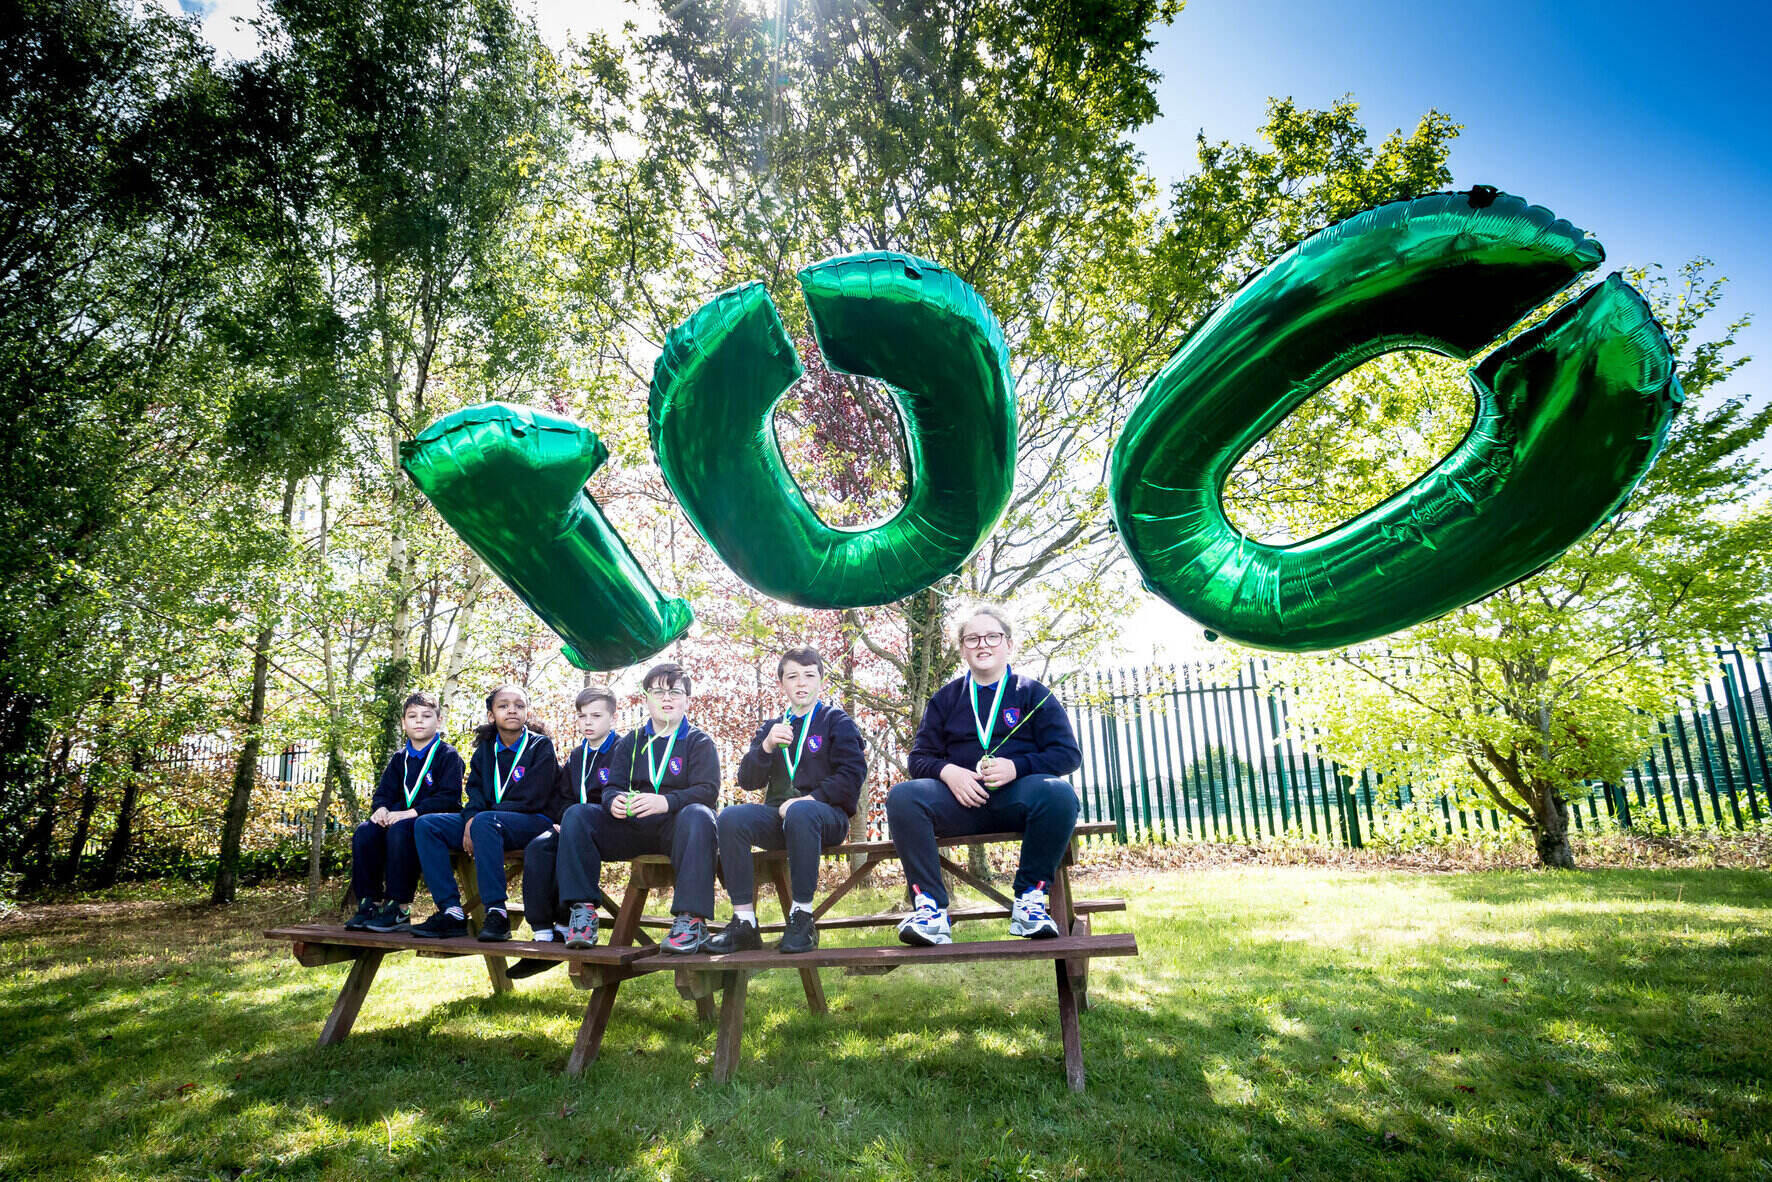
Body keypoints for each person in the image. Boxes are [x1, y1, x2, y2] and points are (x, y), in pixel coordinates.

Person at [886, 606, 1081, 945]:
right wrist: (949, 773)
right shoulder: (945, 699)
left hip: (1017, 801)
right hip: (960, 803)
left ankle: (1030, 902)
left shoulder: (1034, 694)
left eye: (992, 636)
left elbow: (1067, 754)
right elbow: (919, 759)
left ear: (1009, 644)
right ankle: (931, 910)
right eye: (973, 638)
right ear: (962, 648)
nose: (983, 645)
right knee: (903, 797)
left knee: (1060, 794)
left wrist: (1017, 767)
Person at [706, 646, 866, 954]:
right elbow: (747, 780)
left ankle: (802, 916)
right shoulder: (773, 726)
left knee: (802, 813)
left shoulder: (836, 721)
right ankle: (744, 923)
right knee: (730, 818)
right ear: (782, 683)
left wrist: (810, 799)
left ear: (821, 680)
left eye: (809, 675)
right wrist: (765, 747)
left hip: (826, 818)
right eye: (792, 676)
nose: (801, 682)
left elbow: (852, 777)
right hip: (777, 820)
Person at [555, 661, 720, 954]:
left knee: (699, 814)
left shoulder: (698, 741)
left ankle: (690, 919)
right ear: (646, 698)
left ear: (687, 700)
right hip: (631, 828)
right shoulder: (632, 741)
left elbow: (708, 791)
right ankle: (582, 912)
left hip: (676, 830)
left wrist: (667, 801)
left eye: (674, 692)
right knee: (578, 814)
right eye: (658, 692)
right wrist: (613, 800)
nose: (666, 699)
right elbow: (613, 786)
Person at [411, 683, 560, 942]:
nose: (512, 710)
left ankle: (496, 913)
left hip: (534, 822)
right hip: (487, 822)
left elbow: (533, 797)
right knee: (427, 825)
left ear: (527, 712)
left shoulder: (541, 747)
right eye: (503, 706)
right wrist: (470, 819)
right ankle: (452, 913)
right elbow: (475, 794)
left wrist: (480, 819)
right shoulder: (484, 752)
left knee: (485, 821)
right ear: (492, 715)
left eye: (519, 706)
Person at [505, 685, 621, 980]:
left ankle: (566, 923)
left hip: (609, 827)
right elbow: (564, 796)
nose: (588, 722)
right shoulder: (577, 754)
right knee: (539, 847)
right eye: (582, 716)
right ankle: (544, 933)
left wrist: (576, 819)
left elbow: (623, 793)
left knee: (569, 837)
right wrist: (562, 818)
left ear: (613, 718)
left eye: (596, 715)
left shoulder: (623, 750)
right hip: (572, 824)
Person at [344, 691, 465, 933]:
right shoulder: (399, 759)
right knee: (365, 831)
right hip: (397, 819)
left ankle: (398, 907)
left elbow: (449, 799)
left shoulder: (447, 755)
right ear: (403, 723)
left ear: (439, 721)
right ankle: (369, 903)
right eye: (412, 716)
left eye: (426, 715)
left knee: (400, 830)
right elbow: (383, 794)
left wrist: (412, 812)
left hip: (427, 822)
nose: (419, 721)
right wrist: (380, 809)